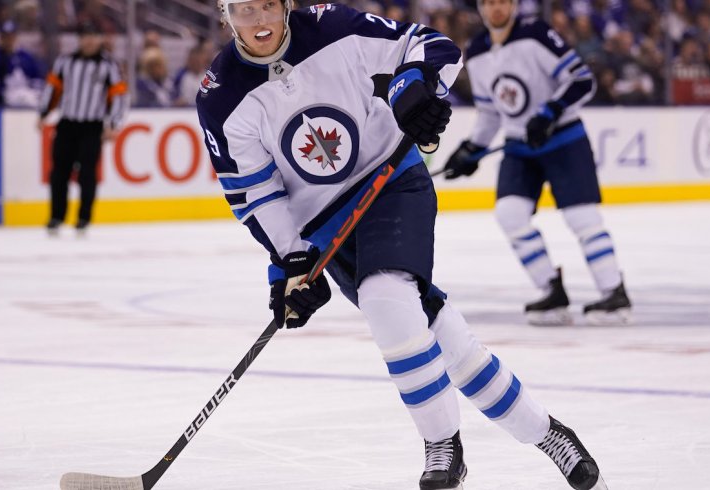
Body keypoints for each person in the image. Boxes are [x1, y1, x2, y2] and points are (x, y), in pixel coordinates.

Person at [196, 1, 607, 489]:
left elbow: (431, 46)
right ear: (225, 16)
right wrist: (290, 261)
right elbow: (255, 192)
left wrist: (411, 86)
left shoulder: (332, 26)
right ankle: (547, 433)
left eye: (268, 5)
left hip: (390, 178)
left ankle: (441, 445)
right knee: (439, 333)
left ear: (287, 3)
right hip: (327, 230)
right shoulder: (220, 98)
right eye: (244, 10)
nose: (260, 21)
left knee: (383, 294)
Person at [442, 0, 632, 327]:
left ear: (514, 4)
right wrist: (471, 149)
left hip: (563, 139)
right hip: (520, 147)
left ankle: (614, 292)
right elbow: (491, 113)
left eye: (503, 1)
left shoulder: (536, 33)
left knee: (581, 217)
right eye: (489, 2)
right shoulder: (477, 50)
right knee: (509, 215)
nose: (496, 8)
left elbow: (582, 80)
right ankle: (551, 289)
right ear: (481, 8)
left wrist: (550, 111)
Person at [38, 22, 128, 235]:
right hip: (67, 123)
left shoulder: (109, 66)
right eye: (85, 36)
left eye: (93, 36)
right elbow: (53, 89)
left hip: (92, 126)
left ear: (100, 39)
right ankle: (56, 216)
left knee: (87, 174)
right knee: (59, 173)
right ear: (79, 39)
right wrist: (43, 113)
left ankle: (83, 218)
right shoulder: (64, 62)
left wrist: (114, 124)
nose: (89, 41)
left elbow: (119, 96)